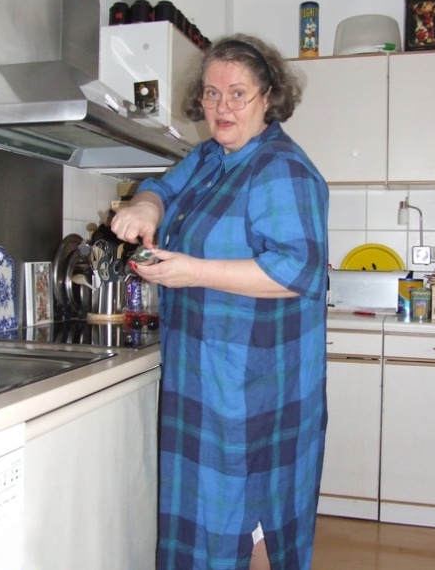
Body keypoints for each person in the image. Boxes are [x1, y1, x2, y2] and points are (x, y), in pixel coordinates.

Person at [111, 33, 329, 570]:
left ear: (268, 97)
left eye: (237, 93)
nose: (221, 106)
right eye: (211, 94)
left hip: (255, 385)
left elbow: (297, 270)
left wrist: (190, 272)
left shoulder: (281, 168)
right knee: (204, 517)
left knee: (249, 519)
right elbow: (162, 185)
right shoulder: (210, 157)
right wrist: (145, 207)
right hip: (203, 374)